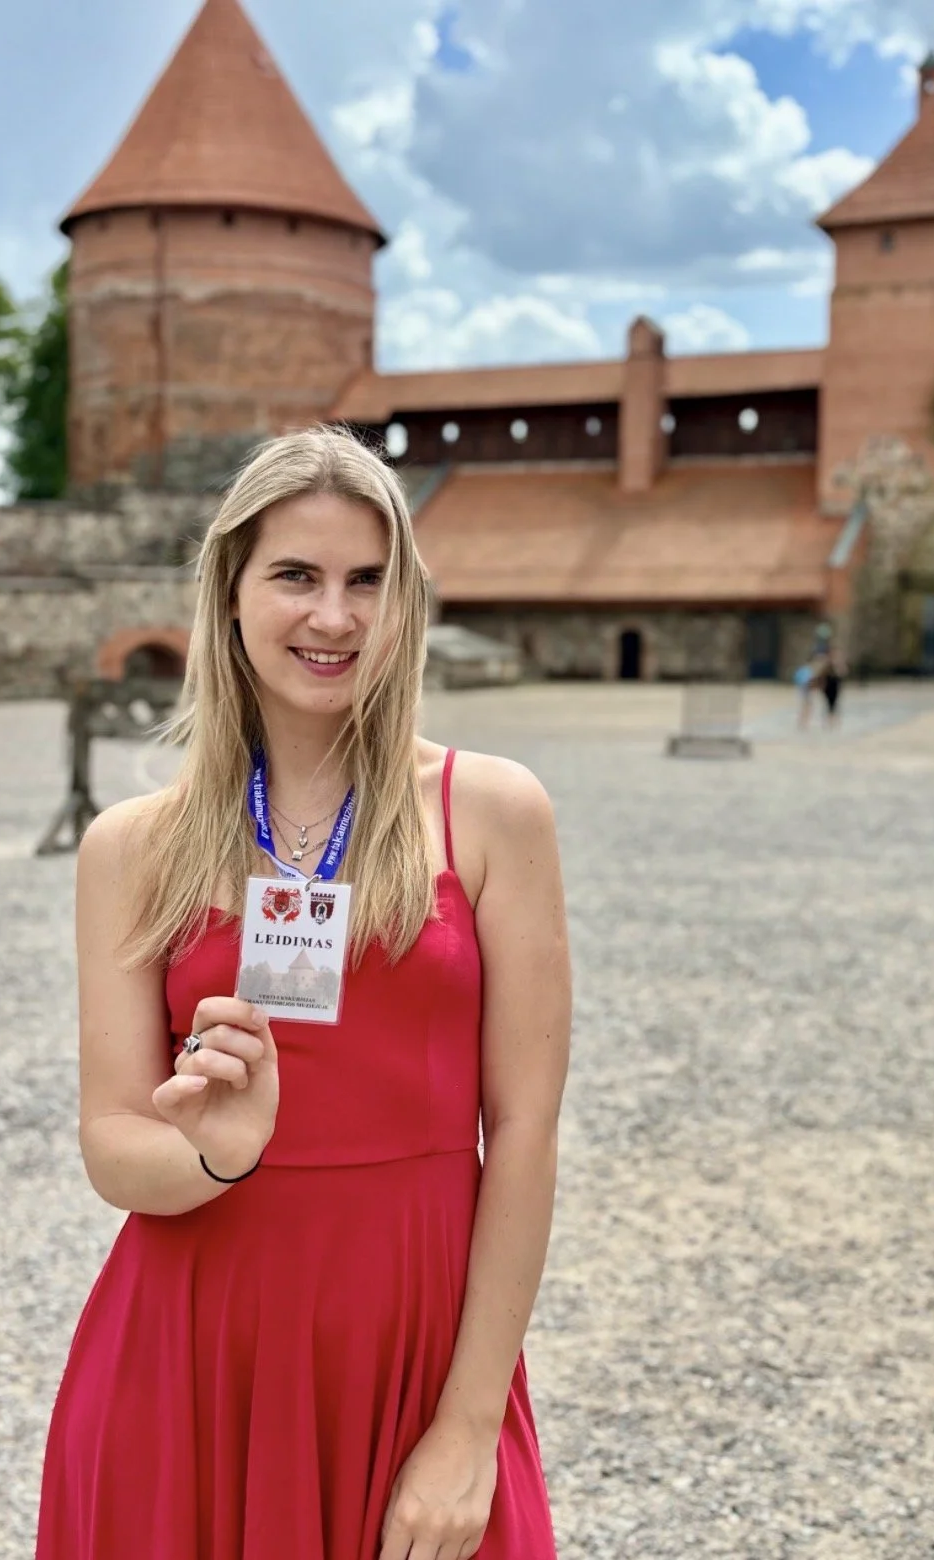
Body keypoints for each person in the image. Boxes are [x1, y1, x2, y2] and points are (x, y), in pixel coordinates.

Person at [35, 426, 571, 1560]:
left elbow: (523, 1130)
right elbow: (110, 1145)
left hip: (413, 1349)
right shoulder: (133, 847)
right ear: (230, 593)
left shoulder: (491, 812)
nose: (334, 618)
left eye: (366, 581)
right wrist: (219, 1151)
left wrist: (468, 1429)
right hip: (191, 1349)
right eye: (295, 576)